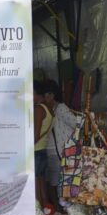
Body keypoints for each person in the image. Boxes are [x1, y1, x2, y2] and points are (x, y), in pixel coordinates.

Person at [40, 78, 78, 207]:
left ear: (52, 95)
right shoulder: (48, 109)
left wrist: (69, 142)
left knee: (57, 181)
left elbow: (76, 123)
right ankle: (57, 207)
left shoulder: (60, 108)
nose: (45, 98)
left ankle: (60, 207)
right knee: (53, 180)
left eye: (46, 94)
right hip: (52, 150)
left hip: (61, 151)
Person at [33, 81, 55, 206]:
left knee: (36, 184)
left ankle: (38, 210)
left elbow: (35, 135)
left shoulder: (39, 109)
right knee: (41, 182)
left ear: (35, 93)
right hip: (43, 149)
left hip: (35, 150)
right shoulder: (49, 108)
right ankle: (45, 208)